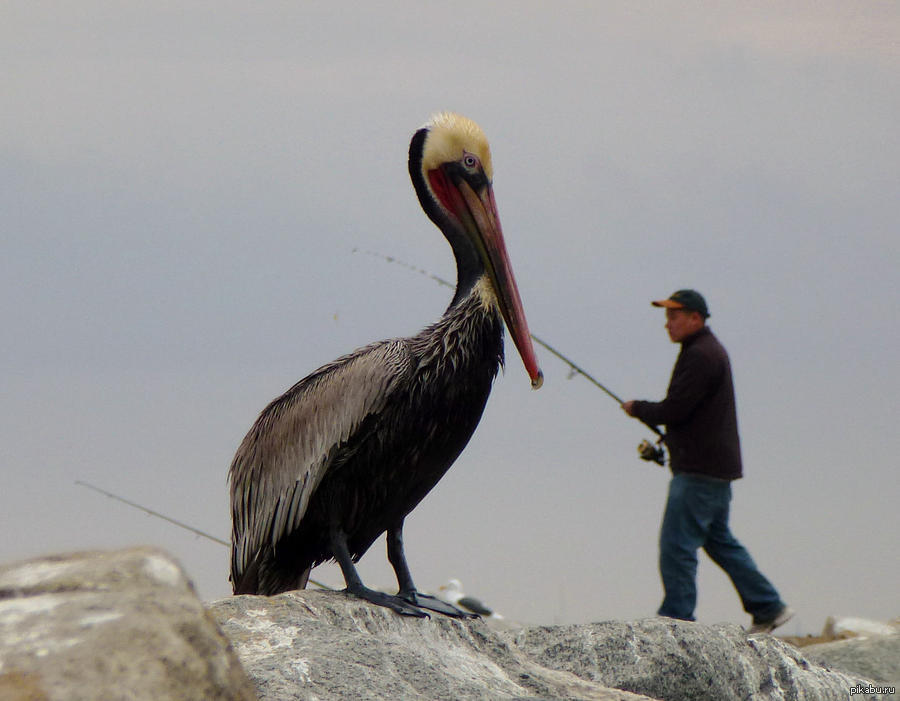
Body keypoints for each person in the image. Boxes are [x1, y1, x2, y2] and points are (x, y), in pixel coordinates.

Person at [622, 289, 793, 633]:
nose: (667, 324)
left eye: (673, 316)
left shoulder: (701, 355)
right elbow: (686, 412)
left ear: (695, 318)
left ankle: (678, 620)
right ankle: (768, 607)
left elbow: (676, 409)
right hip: (715, 469)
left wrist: (638, 408)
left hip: (698, 472)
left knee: (677, 545)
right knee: (719, 541)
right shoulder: (703, 351)